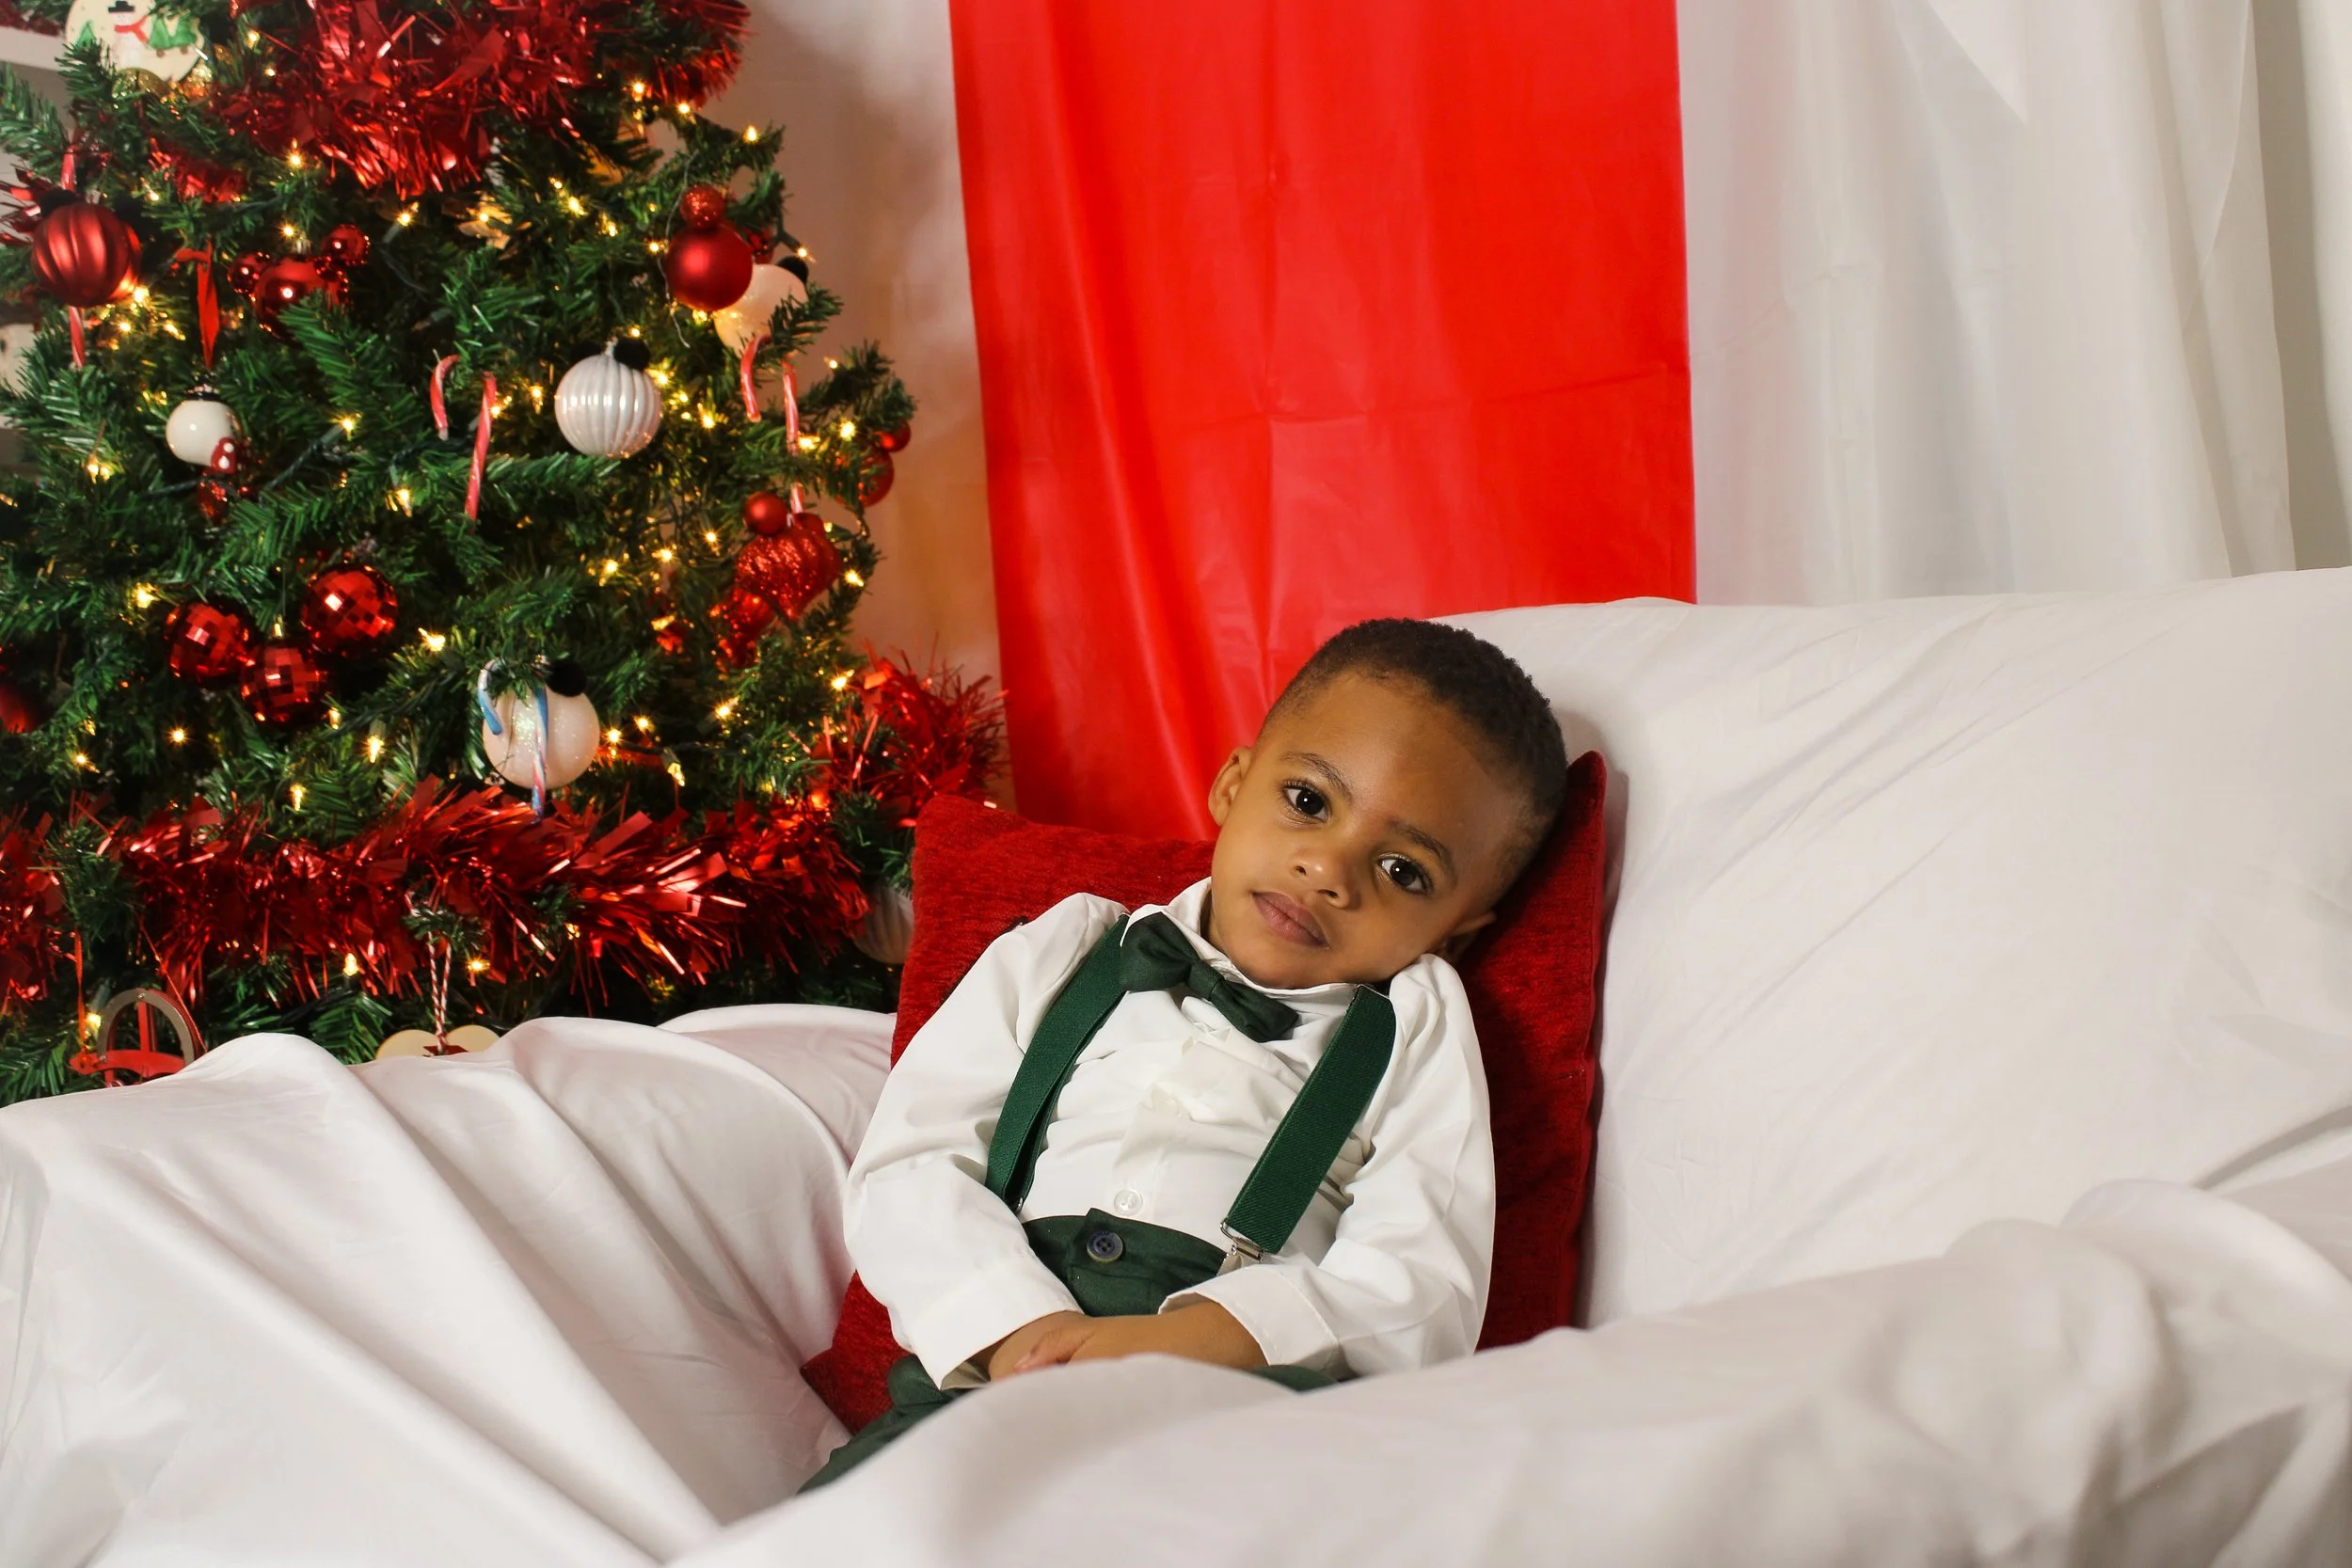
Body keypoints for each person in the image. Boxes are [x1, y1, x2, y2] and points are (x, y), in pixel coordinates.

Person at [803, 618, 1568, 1489]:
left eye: (1404, 871)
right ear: (1233, 784)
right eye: (1310, 801)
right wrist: (1016, 1330)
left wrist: (1191, 1343)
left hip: (1236, 1407)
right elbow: (908, 1164)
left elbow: (1422, 1275)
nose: (1329, 869)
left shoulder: (1413, 1029)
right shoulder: (1064, 949)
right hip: (986, 1380)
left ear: (1456, 933)